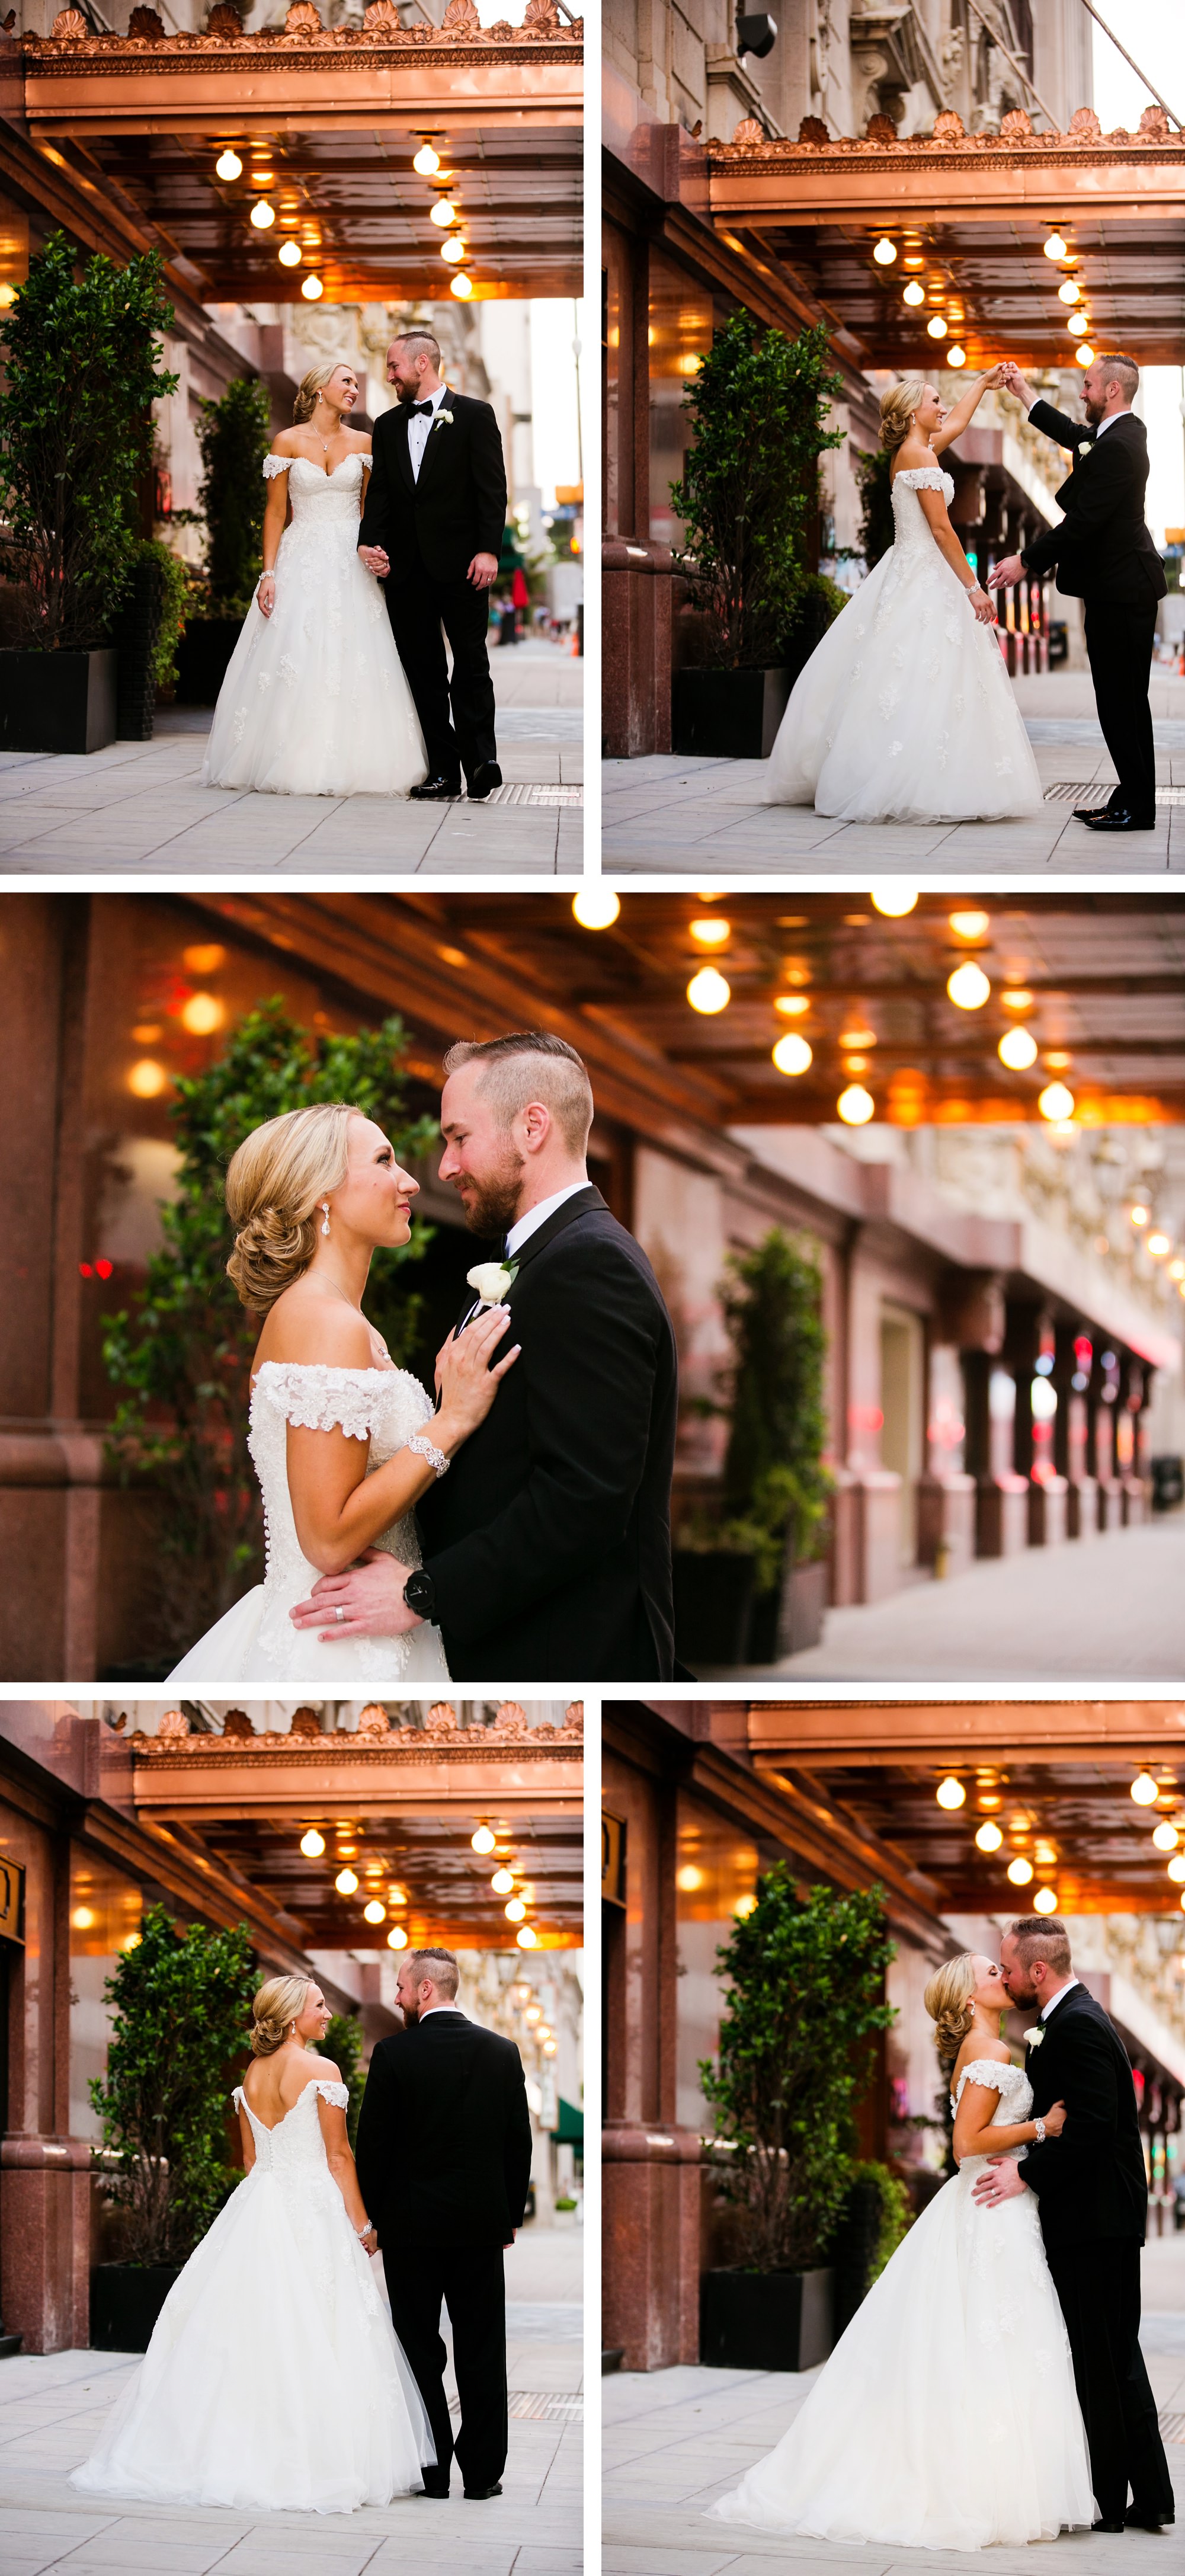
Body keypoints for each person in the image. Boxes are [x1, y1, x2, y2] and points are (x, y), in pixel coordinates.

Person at [287, 1031, 680, 1681]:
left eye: (458, 1137)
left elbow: (585, 1497)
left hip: (568, 1664)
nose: (443, 1167)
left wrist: (423, 1592)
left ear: (532, 1128)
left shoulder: (589, 1265)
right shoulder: (549, 1258)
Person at [709, 1947, 1094, 2549]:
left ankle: (993, 2478)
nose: (1001, 1972)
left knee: (987, 2340)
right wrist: (1043, 2126)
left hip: (996, 2205)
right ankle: (981, 2485)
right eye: (990, 1971)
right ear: (969, 1997)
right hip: (988, 2209)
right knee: (991, 2337)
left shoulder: (991, 2049)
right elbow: (967, 2143)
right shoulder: (989, 2051)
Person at [166, 1100, 519, 1684]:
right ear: (319, 1194)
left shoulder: (340, 1319)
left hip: (371, 1625)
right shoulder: (326, 1322)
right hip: (337, 1649)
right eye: (383, 1160)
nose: (409, 1180)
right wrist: (450, 1421)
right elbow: (328, 1539)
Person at [71, 1976, 434, 2512]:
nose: (329, 2012)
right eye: (318, 2005)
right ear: (293, 2018)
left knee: (253, 2329)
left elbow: (250, 2162)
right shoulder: (322, 2071)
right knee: (318, 2325)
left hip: (258, 2203)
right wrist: (363, 2226)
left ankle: (230, 2448)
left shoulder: (252, 2075)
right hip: (309, 2206)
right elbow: (338, 2157)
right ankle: (315, 2458)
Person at [764, 367, 1043, 824]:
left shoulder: (911, 452)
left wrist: (982, 385)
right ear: (915, 411)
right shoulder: (922, 458)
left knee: (904, 672)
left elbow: (955, 425)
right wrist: (973, 589)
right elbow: (940, 529)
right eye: (935, 400)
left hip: (907, 569)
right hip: (926, 571)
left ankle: (894, 766)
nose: (941, 408)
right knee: (922, 672)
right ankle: (908, 777)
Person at [975, 1918, 1174, 2532]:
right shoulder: (1073, 2020)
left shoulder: (1078, 2025)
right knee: (1113, 2357)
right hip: (1098, 2219)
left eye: (1008, 1967)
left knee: (1101, 2359)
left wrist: (1025, 2176)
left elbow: (1089, 2126)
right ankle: (1147, 2498)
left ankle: (1112, 2505)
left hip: (1093, 2223)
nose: (1004, 1976)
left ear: (1038, 1970)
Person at [355, 1947, 533, 2501]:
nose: (398, 1996)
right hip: (480, 2229)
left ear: (427, 1989)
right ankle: (482, 2475)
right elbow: (517, 2143)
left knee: (418, 2347)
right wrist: (506, 2216)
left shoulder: (392, 2053)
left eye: (404, 1987)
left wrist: (374, 2220)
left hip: (411, 2230)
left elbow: (373, 2148)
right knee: (482, 2348)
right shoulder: (502, 2052)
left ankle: (431, 2470)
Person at [202, 361, 427, 799]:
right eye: (347, 381)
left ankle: (357, 759)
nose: (355, 389)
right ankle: (286, 753)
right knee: (297, 650)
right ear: (319, 388)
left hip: (350, 556)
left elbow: (371, 509)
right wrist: (268, 573)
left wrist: (378, 553)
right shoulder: (287, 441)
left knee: (352, 651)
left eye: (357, 384)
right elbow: (275, 512)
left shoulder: (365, 441)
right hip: (300, 553)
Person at [991, 355, 1167, 833]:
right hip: (1117, 588)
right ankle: (1131, 798)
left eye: (1088, 385)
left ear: (1112, 390)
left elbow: (1085, 523)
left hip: (1124, 591)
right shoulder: (1115, 435)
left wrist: (1025, 561)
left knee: (1121, 702)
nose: (1082, 392)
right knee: (1122, 701)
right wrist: (1025, 393)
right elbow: (1073, 433)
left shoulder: (1121, 447)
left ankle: (1137, 807)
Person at [358, 328, 507, 802]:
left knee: (471, 665)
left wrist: (489, 549)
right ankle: (443, 771)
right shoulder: (385, 425)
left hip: (464, 566)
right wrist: (369, 544)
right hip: (405, 571)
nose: (389, 375)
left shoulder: (475, 416)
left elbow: (492, 489)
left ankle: (481, 762)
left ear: (422, 364)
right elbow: (379, 493)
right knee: (423, 672)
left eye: (394, 365)